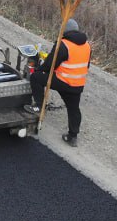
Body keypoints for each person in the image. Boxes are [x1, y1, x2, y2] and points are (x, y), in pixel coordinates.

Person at [23, 18, 91, 146]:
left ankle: (39, 106)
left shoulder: (63, 44)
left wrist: (39, 69)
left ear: (64, 30)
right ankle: (72, 136)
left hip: (62, 81)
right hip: (77, 84)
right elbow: (86, 65)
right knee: (73, 109)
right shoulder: (87, 45)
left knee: (36, 78)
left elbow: (49, 65)